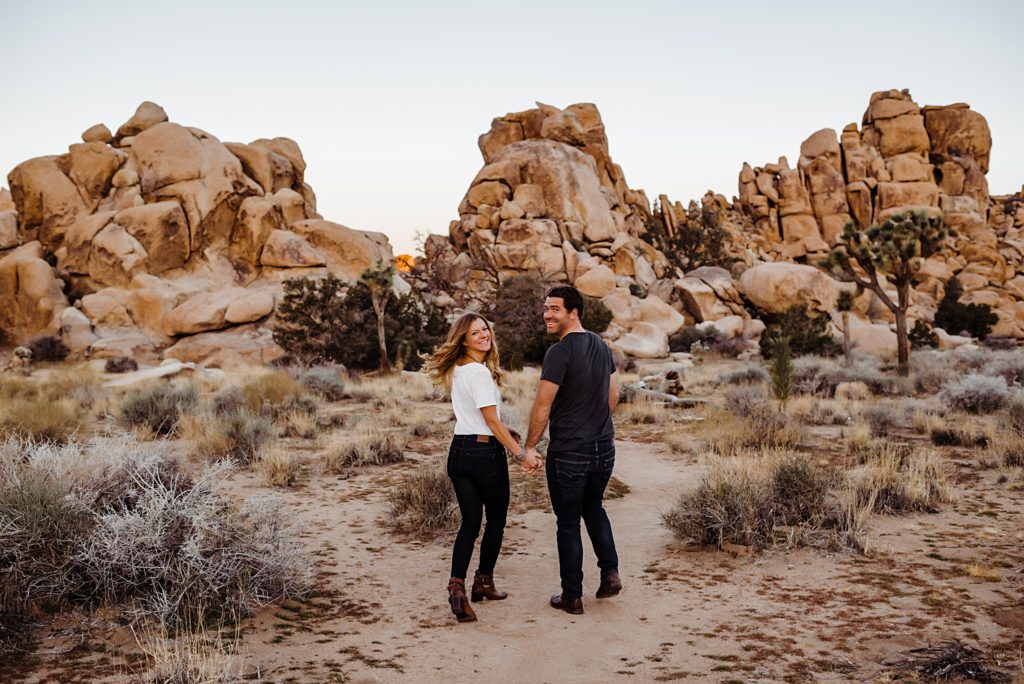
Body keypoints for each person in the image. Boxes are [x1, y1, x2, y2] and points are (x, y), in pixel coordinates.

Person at [422, 312, 540, 623]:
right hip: (485, 455)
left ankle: (457, 588)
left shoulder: (459, 370)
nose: (484, 335)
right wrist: (520, 454)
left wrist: (505, 432)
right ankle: (483, 581)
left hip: (460, 450)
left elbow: (482, 419)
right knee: (496, 520)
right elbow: (489, 420)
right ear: (463, 339)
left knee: (470, 523)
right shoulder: (479, 374)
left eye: (485, 329)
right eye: (475, 333)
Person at [524, 286, 621, 615]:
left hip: (569, 453)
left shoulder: (559, 352)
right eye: (545, 308)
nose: (547, 315)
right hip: (603, 449)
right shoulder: (601, 345)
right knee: (594, 508)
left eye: (554, 309)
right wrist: (597, 423)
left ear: (574, 312)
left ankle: (572, 596)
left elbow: (542, 406)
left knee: (568, 523)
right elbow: (614, 396)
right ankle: (610, 574)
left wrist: (529, 447)